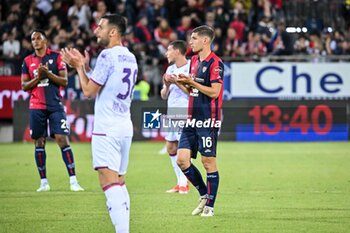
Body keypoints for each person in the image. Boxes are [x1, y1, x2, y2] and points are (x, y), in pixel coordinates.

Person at [60, 14, 137, 233]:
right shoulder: (130, 57)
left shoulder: (106, 55)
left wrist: (79, 67)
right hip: (124, 126)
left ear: (113, 32)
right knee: (119, 182)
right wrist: (85, 67)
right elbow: (106, 84)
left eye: (100, 27)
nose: (96, 30)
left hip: (107, 128)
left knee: (108, 182)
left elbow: (87, 91)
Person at [21, 29, 84, 192]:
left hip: (55, 105)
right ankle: (43, 183)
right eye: (32, 39)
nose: (35, 41)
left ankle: (73, 181)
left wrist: (47, 74)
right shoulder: (27, 61)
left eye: (38, 38)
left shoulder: (56, 57)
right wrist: (39, 78)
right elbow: (24, 86)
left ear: (45, 41)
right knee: (39, 142)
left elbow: (64, 81)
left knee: (62, 139)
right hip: (36, 106)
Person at [176, 25, 224, 217]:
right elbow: (193, 92)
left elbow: (214, 92)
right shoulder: (194, 61)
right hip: (191, 119)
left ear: (205, 40)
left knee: (208, 162)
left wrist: (192, 82)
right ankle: (204, 194)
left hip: (208, 120)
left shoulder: (216, 63)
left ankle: (210, 207)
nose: (190, 42)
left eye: (194, 38)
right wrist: (180, 83)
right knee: (181, 160)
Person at [160, 40, 190, 194]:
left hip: (184, 111)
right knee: (170, 147)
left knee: (182, 148)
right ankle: (180, 183)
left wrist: (177, 82)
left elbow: (192, 93)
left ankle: (184, 184)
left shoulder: (191, 67)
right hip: (171, 111)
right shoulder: (170, 68)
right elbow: (164, 95)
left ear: (177, 51)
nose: (166, 53)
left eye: (169, 50)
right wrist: (166, 85)